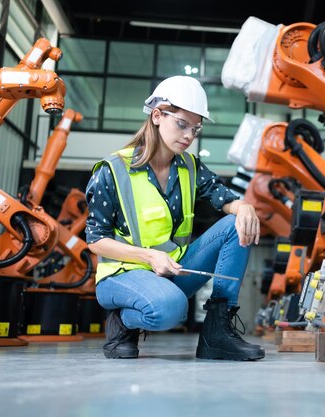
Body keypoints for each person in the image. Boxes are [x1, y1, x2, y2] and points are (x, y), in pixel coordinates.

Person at [85, 75, 265, 361]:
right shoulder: (113, 169)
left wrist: (243, 207)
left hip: (172, 270)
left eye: (196, 128)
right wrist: (149, 257)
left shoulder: (190, 167)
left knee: (235, 224)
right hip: (122, 275)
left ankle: (217, 330)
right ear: (157, 116)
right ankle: (123, 321)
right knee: (171, 309)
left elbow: (222, 197)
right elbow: (96, 240)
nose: (189, 136)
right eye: (182, 124)